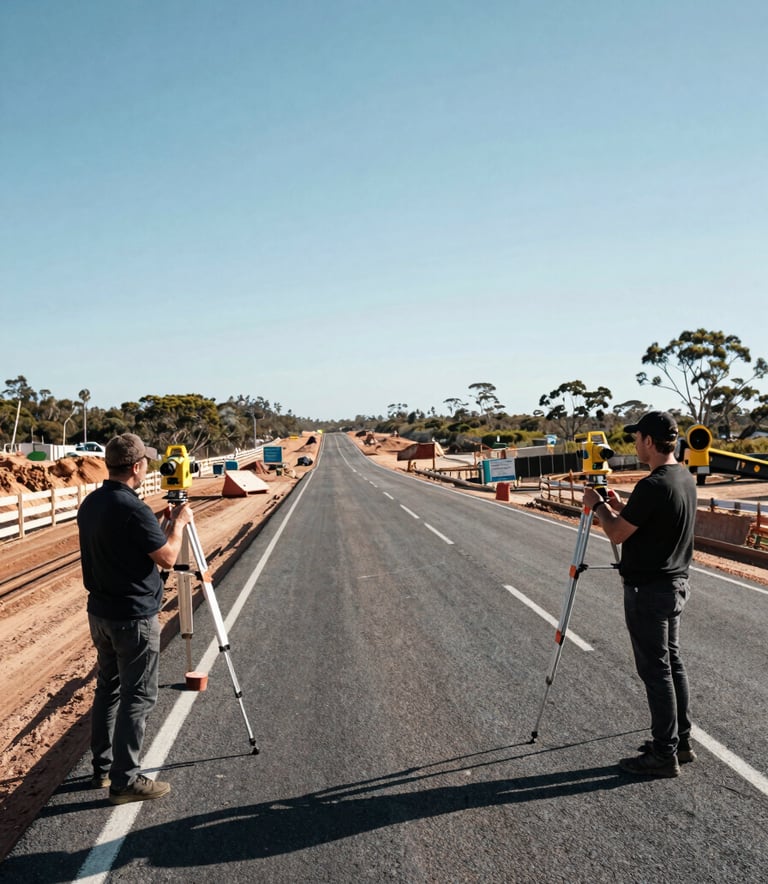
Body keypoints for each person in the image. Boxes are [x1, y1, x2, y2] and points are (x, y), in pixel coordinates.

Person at [77, 433, 192, 804]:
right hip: (133, 619)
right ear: (138, 466)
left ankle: (102, 768)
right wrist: (179, 523)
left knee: (108, 689)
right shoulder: (133, 509)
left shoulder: (92, 503)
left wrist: (152, 525)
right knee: (138, 696)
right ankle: (125, 781)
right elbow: (168, 559)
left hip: (101, 614)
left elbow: (123, 544)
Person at [582, 411, 697, 779]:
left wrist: (596, 505)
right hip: (675, 585)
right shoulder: (682, 477)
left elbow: (616, 535)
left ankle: (664, 754)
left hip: (649, 590)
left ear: (649, 441)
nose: (634, 444)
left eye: (637, 438)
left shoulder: (652, 485)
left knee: (656, 670)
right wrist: (618, 506)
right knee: (672, 664)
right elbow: (644, 524)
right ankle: (680, 741)